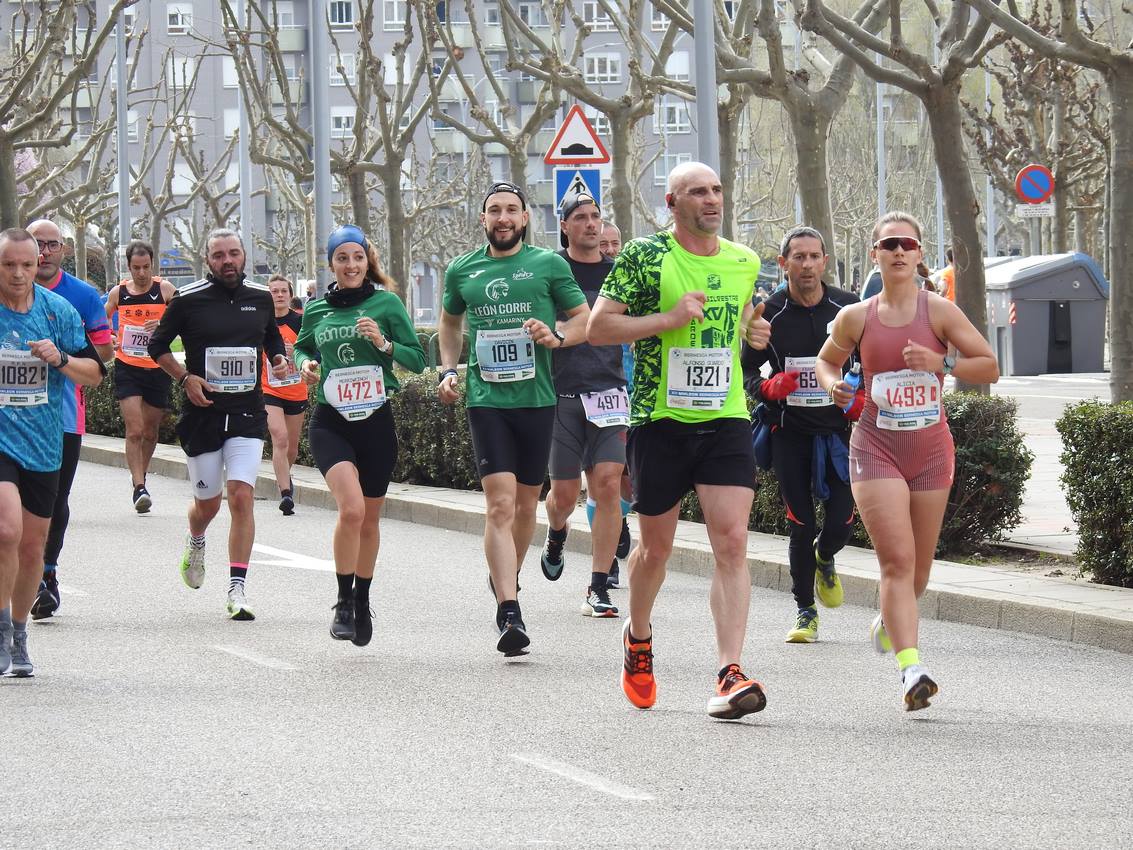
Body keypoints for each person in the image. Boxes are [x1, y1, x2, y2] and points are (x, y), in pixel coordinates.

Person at [588, 161, 772, 720]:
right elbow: (599, 327)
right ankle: (638, 636)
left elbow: (737, 323)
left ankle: (729, 670)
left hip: (726, 416)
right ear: (672, 203)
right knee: (656, 550)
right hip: (659, 418)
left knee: (732, 541)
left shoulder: (744, 262)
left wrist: (753, 332)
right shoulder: (646, 256)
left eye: (717, 189)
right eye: (697, 192)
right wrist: (666, 319)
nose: (711, 199)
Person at [815, 211, 999, 711]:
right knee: (895, 561)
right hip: (876, 446)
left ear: (919, 255)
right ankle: (911, 670)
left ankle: (889, 621)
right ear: (875, 253)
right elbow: (826, 360)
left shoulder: (939, 312)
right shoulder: (858, 316)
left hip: (931, 449)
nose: (898, 251)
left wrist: (943, 363)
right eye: (889, 244)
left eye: (907, 245)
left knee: (917, 568)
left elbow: (990, 366)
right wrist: (835, 388)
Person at [437, 181, 589, 657]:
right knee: (499, 506)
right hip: (486, 401)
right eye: (494, 211)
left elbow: (585, 318)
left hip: (538, 399)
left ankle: (508, 575)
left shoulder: (548, 265)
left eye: (511, 210)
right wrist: (447, 369)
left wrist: (557, 336)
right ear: (483, 220)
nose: (502, 217)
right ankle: (510, 609)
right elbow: (449, 321)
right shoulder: (463, 269)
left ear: (525, 218)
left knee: (526, 507)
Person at [294, 225, 426, 646]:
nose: (350, 265)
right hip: (331, 420)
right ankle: (343, 601)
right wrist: (306, 365)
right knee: (351, 510)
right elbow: (303, 347)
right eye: (341, 258)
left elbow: (418, 359)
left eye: (357, 257)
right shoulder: (316, 309)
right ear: (330, 263)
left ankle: (363, 598)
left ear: (367, 261)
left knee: (369, 519)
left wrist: (385, 344)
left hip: (375, 420)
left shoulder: (386, 303)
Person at [148, 228, 289, 621]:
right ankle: (196, 541)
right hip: (204, 415)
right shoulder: (188, 300)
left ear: (244, 255)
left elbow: (271, 337)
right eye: (218, 256)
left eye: (233, 254)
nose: (227, 261)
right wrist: (184, 378)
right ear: (207, 260)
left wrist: (277, 358)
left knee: (241, 496)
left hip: (246, 413)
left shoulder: (260, 298)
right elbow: (156, 346)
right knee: (206, 505)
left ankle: (237, 589)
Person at [742, 226, 862, 644]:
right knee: (800, 522)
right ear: (784, 263)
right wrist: (766, 389)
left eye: (814, 256)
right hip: (788, 432)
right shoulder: (769, 314)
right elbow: (746, 369)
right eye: (799, 257)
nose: (807, 264)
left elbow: (869, 363)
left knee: (842, 520)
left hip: (838, 434)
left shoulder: (847, 308)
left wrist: (860, 397)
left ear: (825, 261)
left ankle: (826, 555)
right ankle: (804, 610)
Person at [0, 228, 105, 676]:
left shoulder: (56, 310)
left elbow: (95, 374)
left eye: (26, 264)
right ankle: (1, 630)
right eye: (9, 265)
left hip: (44, 441)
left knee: (32, 547)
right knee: (6, 531)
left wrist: (59, 358)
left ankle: (19, 631)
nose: (19, 273)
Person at [539, 193, 629, 618]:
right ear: (565, 226)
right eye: (581, 218)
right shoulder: (550, 270)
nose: (591, 224)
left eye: (596, 216)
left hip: (610, 392)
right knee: (564, 494)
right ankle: (557, 532)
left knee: (608, 484)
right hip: (561, 393)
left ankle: (598, 586)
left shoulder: (618, 275)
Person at [26, 219, 113, 621]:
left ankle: (47, 574)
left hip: (61, 414)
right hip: (12, 419)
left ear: (64, 249)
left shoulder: (77, 296)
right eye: (36, 245)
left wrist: (64, 360)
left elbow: (101, 355)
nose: (44, 252)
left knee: (54, 500)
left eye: (52, 245)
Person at [104, 240, 177, 513]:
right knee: (134, 429)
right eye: (136, 268)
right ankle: (138, 487)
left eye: (146, 267)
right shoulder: (119, 292)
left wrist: (163, 323)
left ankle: (141, 477)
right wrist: (107, 338)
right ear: (128, 266)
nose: (142, 273)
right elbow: (101, 321)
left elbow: (186, 315)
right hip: (128, 367)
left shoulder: (165, 290)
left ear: (153, 265)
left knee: (150, 431)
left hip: (158, 366)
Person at [262, 274, 308, 516]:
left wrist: (296, 350)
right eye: (274, 291)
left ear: (290, 296)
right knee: (279, 438)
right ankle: (285, 494)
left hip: (296, 388)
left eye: (283, 291)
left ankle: (285, 476)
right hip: (269, 388)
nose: (279, 295)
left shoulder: (300, 322)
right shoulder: (260, 321)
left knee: (291, 449)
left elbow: (313, 351)